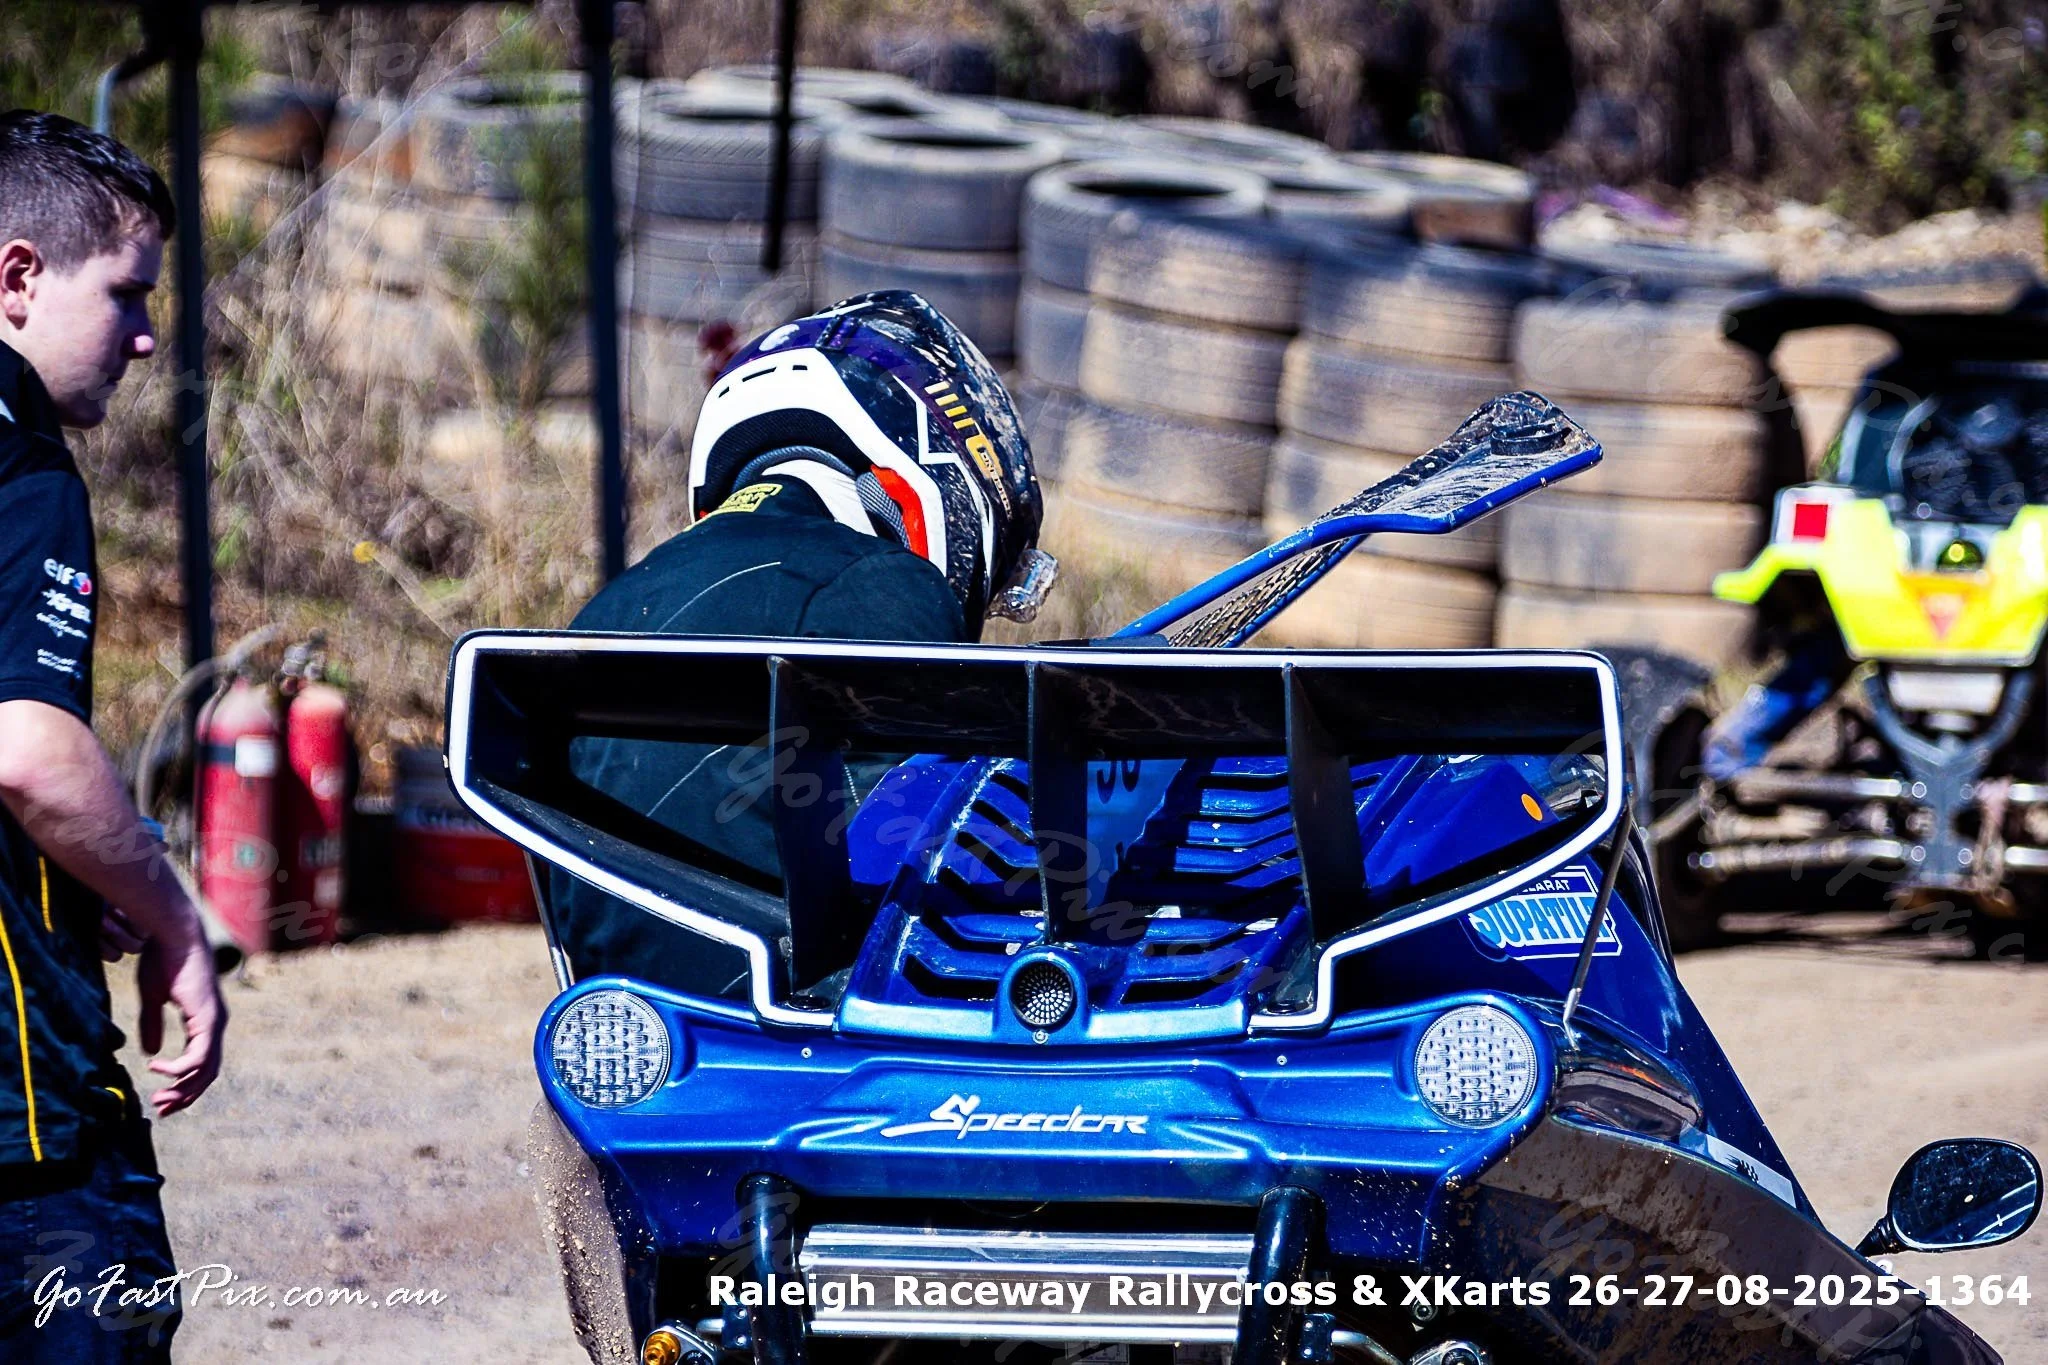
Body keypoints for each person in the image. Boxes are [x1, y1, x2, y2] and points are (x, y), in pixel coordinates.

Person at [550, 289, 1052, 999]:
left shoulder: (603, 613)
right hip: (813, 1037)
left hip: (628, 1025)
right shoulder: (881, 584)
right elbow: (937, 855)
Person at [0, 110, 228, 1361]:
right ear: (19, 277)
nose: (147, 336)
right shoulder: (21, 467)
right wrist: (178, 916)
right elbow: (29, 752)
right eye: (128, 294)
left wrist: (91, 872)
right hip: (22, 1143)